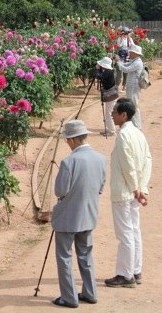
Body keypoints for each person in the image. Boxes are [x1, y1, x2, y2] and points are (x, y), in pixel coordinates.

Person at [51, 120, 107, 308]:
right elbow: (100, 188)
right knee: (85, 254)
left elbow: (60, 191)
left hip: (68, 217)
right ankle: (90, 292)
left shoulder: (68, 162)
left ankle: (69, 297)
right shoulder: (100, 159)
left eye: (68, 140)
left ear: (74, 140)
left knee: (64, 256)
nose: (67, 143)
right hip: (89, 215)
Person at [105, 98, 152, 288]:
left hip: (125, 192)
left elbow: (128, 165)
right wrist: (142, 188)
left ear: (124, 115)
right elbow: (147, 160)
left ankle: (125, 275)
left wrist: (135, 188)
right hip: (134, 192)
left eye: (115, 112)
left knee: (125, 234)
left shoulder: (124, 135)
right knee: (133, 231)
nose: (112, 114)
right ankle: (135, 270)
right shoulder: (138, 133)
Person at [115, 44, 144, 129]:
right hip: (131, 86)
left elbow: (126, 69)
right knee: (131, 105)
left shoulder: (138, 62)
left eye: (131, 52)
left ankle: (137, 126)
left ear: (135, 53)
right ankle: (134, 125)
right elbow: (125, 65)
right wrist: (119, 61)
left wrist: (118, 62)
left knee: (133, 106)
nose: (129, 53)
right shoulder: (134, 60)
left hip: (134, 87)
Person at [96, 56, 118, 136]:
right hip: (111, 94)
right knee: (108, 113)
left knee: (109, 113)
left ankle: (112, 131)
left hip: (111, 95)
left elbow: (98, 76)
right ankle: (109, 129)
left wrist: (97, 69)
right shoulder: (108, 71)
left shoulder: (108, 72)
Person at [114, 27, 134, 92]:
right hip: (120, 56)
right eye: (125, 33)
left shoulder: (130, 39)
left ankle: (124, 86)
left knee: (126, 71)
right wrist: (122, 38)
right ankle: (117, 86)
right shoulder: (119, 39)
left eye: (127, 33)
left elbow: (133, 46)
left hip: (127, 56)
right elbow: (119, 45)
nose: (126, 34)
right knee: (119, 71)